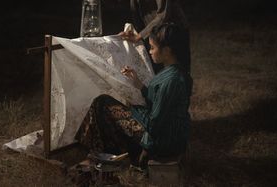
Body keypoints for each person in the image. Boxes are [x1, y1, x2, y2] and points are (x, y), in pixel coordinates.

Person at [75, 23, 192, 169]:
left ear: (167, 51)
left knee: (102, 103)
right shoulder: (178, 72)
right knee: (109, 104)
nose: (150, 51)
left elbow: (153, 126)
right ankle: (101, 151)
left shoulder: (171, 81)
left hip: (162, 142)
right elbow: (161, 103)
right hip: (171, 137)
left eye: (153, 48)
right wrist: (139, 85)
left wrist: (133, 108)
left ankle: (95, 153)